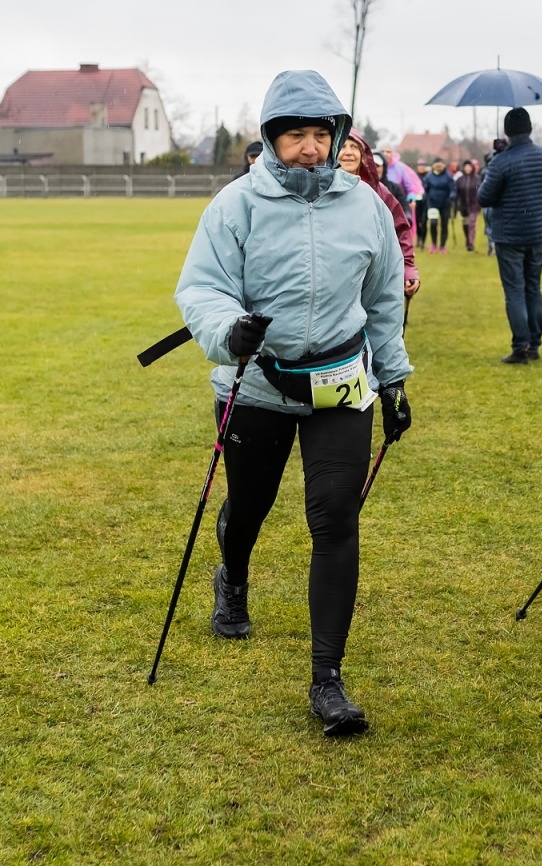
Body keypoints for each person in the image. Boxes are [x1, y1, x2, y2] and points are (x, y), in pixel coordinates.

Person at [175, 69, 413, 738]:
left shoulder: (364, 206)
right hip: (256, 386)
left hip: (341, 384)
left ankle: (327, 680)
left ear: (338, 135)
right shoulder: (234, 206)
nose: (309, 148)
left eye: (319, 134)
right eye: (293, 136)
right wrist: (230, 330)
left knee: (335, 519)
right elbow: (201, 290)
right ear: (271, 140)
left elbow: (385, 300)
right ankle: (235, 574)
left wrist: (393, 381)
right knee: (248, 507)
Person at [478, 109, 542, 363]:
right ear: (530, 128)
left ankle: (520, 346)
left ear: (507, 132)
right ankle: (534, 343)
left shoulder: (501, 161)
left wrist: (491, 167)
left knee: (515, 290)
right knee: (533, 287)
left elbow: (484, 197)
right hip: (537, 232)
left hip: (509, 236)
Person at [339, 130, 420, 298]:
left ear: (363, 155)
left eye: (354, 147)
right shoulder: (320, 190)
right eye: (342, 146)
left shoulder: (379, 192)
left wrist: (408, 269)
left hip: (374, 275)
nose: (348, 152)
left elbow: (400, 230)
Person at [421, 157, 456, 253]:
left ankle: (442, 246)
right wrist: (425, 195)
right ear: (433, 166)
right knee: (433, 223)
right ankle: (434, 244)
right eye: (437, 166)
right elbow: (424, 188)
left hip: (445, 203)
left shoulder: (448, 176)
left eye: (440, 166)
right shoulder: (429, 176)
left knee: (444, 224)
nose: (439, 167)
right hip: (432, 203)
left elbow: (453, 188)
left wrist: (452, 196)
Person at [454, 158, 483, 252]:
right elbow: (456, 192)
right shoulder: (460, 179)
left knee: (472, 223)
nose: (467, 168)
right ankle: (467, 239)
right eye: (466, 167)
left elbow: (480, 191)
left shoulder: (477, 179)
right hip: (463, 205)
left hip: (474, 204)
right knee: (465, 223)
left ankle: (471, 243)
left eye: (469, 167)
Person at [411, 162, 431, 249]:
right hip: (417, 202)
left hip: (425, 202)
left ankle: (423, 240)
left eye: (422, 165)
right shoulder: (415, 176)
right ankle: (418, 239)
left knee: (424, 222)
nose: (421, 167)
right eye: (419, 165)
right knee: (417, 221)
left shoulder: (428, 176)